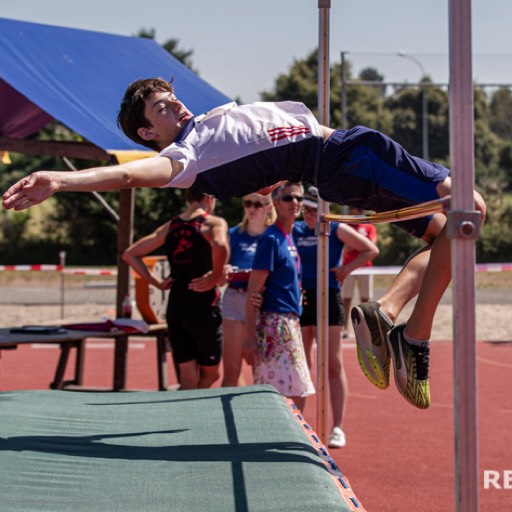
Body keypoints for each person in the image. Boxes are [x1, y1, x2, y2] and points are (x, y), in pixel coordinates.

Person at [2, 77, 486, 409]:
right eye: (161, 108)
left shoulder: (204, 128)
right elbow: (131, 173)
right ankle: (414, 337)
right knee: (472, 207)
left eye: (172, 97)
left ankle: (390, 312)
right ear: (150, 131)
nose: (175, 104)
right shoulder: (186, 154)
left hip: (336, 173)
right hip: (344, 154)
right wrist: (63, 182)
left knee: (449, 237)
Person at [293, 186, 379, 448]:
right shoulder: (295, 230)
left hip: (328, 296)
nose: (309, 214)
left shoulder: (335, 227)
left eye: (313, 209)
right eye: (305, 209)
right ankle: (299, 426)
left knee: (333, 364)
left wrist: (345, 270)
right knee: (302, 366)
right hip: (301, 298)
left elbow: (369, 249)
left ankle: (337, 426)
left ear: (323, 209)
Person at [122, 188, 229, 390]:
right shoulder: (213, 223)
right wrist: (214, 276)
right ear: (209, 198)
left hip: (176, 304)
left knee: (187, 377)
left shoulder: (171, 226)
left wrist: (156, 282)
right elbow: (220, 245)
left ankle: (187, 409)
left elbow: (130, 254)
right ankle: (195, 411)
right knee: (212, 374)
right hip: (203, 305)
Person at [242, 182, 314, 412]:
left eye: (299, 198)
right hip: (275, 323)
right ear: (275, 203)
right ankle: (287, 441)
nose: (295, 203)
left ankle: (288, 440)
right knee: (288, 391)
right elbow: (254, 290)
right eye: (288, 198)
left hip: (289, 321)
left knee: (293, 389)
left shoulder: (288, 237)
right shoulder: (271, 238)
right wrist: (250, 337)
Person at [221, 192, 276, 387]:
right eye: (247, 203)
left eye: (257, 204)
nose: (251, 209)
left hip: (263, 302)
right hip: (235, 298)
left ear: (269, 207)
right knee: (231, 370)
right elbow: (220, 277)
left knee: (261, 371)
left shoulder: (273, 235)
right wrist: (224, 269)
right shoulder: (234, 234)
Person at [341, 207, 379, 338]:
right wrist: (362, 244)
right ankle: (345, 328)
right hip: (348, 267)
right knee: (346, 298)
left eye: (361, 209)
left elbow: (373, 245)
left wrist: (354, 244)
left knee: (365, 299)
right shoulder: (345, 225)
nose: (359, 211)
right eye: (356, 208)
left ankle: (365, 329)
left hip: (365, 267)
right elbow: (344, 246)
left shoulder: (369, 226)